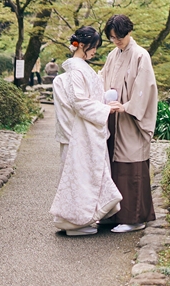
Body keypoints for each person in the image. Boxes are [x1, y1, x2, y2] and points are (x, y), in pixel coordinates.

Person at [50, 27, 123, 236]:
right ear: (82, 45)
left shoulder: (79, 68)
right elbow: (79, 102)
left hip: (84, 129)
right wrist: (106, 108)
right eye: (94, 48)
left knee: (83, 176)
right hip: (81, 132)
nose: (95, 52)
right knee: (81, 177)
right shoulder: (77, 70)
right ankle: (75, 221)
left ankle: (79, 219)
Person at [99, 14, 158, 232]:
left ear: (128, 32)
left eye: (119, 37)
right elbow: (102, 79)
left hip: (131, 120)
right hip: (114, 118)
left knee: (130, 164)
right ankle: (115, 214)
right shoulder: (113, 55)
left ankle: (134, 218)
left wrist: (128, 106)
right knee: (113, 164)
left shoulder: (141, 55)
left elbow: (145, 89)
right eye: (113, 38)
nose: (116, 41)